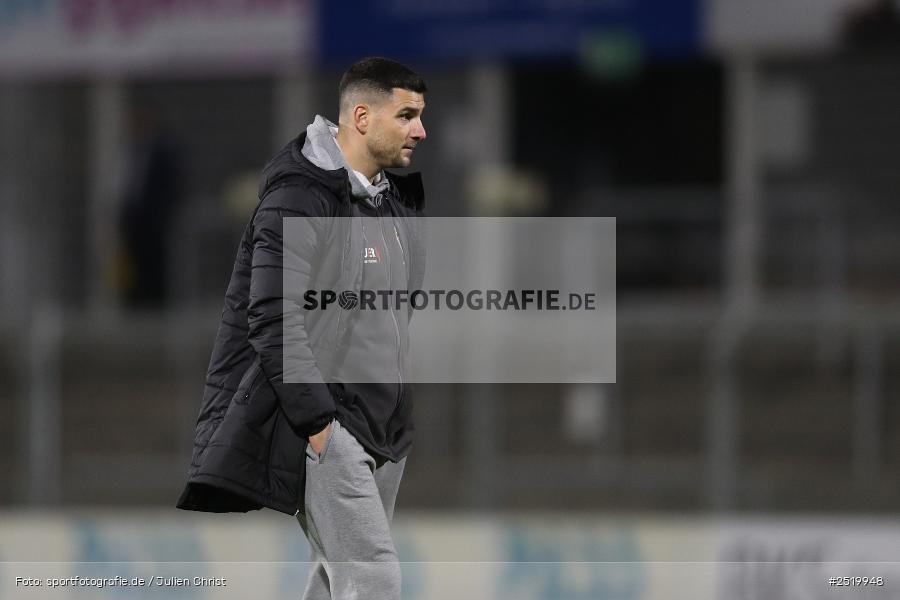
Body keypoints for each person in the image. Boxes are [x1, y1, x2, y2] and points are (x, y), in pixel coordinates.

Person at [176, 57, 428, 600]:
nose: (420, 130)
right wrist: (320, 428)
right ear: (362, 116)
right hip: (332, 431)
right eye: (406, 115)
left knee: (332, 579)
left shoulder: (393, 201)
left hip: (384, 434)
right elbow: (270, 317)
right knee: (373, 579)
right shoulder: (299, 196)